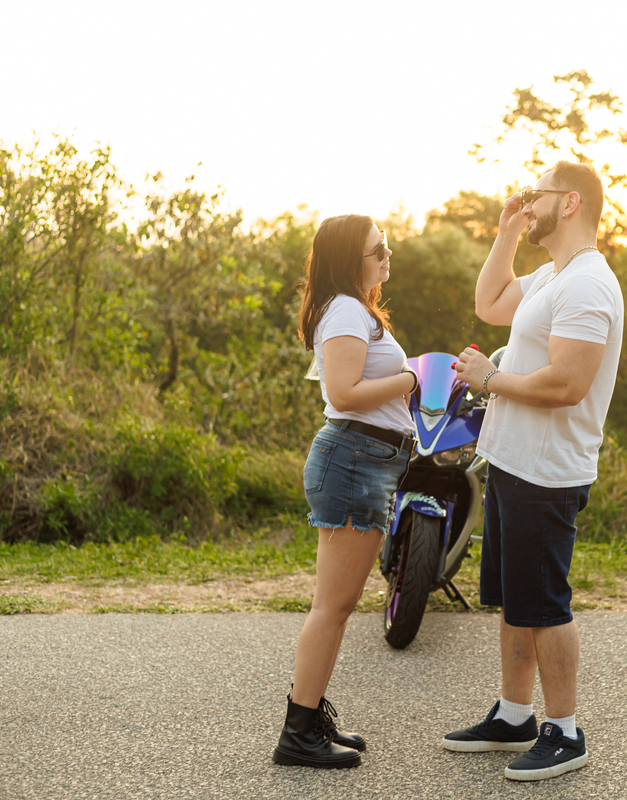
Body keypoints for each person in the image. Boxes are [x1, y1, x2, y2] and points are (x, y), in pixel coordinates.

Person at [447, 161, 624, 781]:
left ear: (570, 203)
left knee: (545, 603)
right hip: (514, 462)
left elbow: (569, 383)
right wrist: (507, 232)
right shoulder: (553, 275)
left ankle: (565, 731)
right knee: (516, 601)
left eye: (538, 195)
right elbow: (490, 302)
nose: (529, 201)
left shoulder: (588, 285)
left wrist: (489, 379)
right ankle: (515, 714)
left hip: (548, 472)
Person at [272, 215, 418, 769]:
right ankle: (298, 732)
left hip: (365, 460)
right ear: (347, 260)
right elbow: (344, 392)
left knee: (336, 606)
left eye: (386, 247)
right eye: (376, 250)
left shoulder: (354, 310)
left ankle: (309, 718)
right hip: (355, 460)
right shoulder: (345, 311)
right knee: (331, 608)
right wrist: (410, 380)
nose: (386, 257)